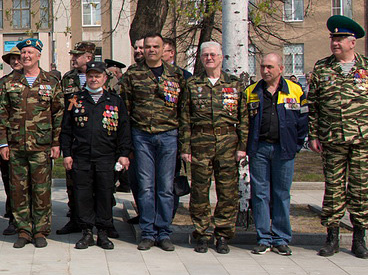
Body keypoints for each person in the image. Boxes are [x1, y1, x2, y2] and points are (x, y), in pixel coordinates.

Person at [308, 15, 368, 258]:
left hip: (362, 139)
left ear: (352, 42)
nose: (335, 42)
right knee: (333, 189)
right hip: (331, 139)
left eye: (340, 38)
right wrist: (313, 134)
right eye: (333, 38)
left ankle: (359, 238)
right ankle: (331, 237)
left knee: (360, 189)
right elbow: (314, 105)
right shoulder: (322, 68)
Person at [179, 42, 247, 254]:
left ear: (221, 57)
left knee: (227, 191)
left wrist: (242, 146)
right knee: (199, 190)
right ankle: (201, 233)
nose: (209, 58)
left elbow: (244, 118)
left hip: (228, 142)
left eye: (213, 55)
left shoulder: (235, 84)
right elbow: (185, 118)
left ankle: (223, 234)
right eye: (205, 55)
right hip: (201, 141)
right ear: (200, 58)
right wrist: (185, 147)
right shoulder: (192, 84)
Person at [0, 37, 63, 248]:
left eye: (30, 53)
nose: (25, 56)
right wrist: (3, 144)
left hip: (41, 146)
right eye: (23, 53)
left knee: (41, 190)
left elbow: (58, 114)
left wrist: (56, 143)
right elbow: (1, 115)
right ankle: (23, 230)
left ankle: (41, 231)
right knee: (18, 190)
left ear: (39, 56)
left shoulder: (51, 82)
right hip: (15, 146)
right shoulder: (8, 83)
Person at [120, 34, 184, 251]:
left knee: (165, 187)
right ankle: (148, 232)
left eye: (155, 46)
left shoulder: (176, 75)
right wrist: (127, 144)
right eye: (147, 46)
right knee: (146, 186)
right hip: (142, 136)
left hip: (168, 134)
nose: (151, 50)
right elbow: (125, 110)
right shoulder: (133, 74)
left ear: (163, 48)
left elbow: (183, 110)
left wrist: (184, 144)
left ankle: (164, 232)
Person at [61, 61, 131, 250]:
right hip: (81, 156)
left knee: (104, 194)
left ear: (104, 78)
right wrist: (66, 154)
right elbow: (66, 129)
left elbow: (124, 130)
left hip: (106, 156)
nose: (94, 79)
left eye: (97, 76)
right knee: (83, 194)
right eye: (91, 76)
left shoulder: (115, 101)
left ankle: (103, 231)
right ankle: (87, 232)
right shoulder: (75, 100)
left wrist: (124, 154)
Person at [244, 53, 308, 255]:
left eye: (270, 67)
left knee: (281, 194)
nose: (265, 70)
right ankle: (263, 237)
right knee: (260, 194)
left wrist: (296, 145)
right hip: (259, 149)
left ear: (281, 68)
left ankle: (280, 238)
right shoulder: (252, 91)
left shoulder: (295, 90)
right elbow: (245, 122)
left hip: (284, 149)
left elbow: (303, 120)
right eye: (262, 66)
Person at [57, 41, 96, 236]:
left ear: (88, 57)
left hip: (98, 137)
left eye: (76, 55)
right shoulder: (68, 78)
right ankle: (75, 218)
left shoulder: (105, 76)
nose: (73, 58)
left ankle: (103, 221)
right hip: (75, 137)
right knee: (72, 181)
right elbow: (65, 107)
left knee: (99, 182)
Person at [0, 46, 22, 235]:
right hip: (10, 142)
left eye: (18, 57)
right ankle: (14, 218)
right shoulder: (4, 82)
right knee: (11, 182)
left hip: (35, 142)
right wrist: (1, 142)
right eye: (12, 58)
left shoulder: (45, 80)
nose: (15, 61)